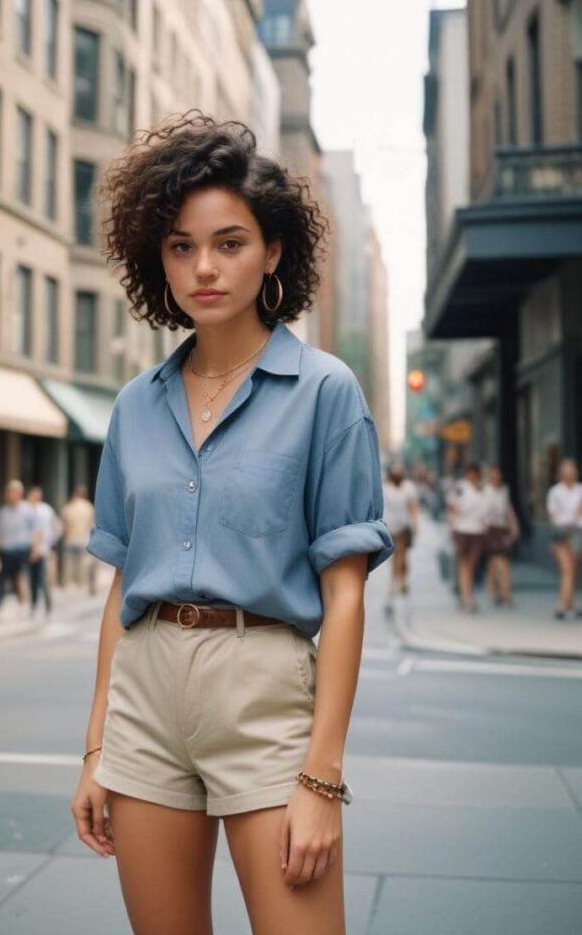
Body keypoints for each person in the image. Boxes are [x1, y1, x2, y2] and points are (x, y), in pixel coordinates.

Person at [70, 112, 393, 932]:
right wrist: (97, 745)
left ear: (272, 251)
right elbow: (122, 587)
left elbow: (344, 594)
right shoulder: (135, 407)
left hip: (266, 696)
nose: (203, 267)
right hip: (144, 699)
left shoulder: (324, 393)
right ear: (158, 258)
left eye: (229, 242)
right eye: (180, 246)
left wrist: (321, 777)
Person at [0, 480, 40, 618]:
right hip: (6, 550)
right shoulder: (2, 512)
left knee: (21, 578)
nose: (8, 495)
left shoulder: (28, 511)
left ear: (19, 494)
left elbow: (36, 531)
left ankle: (24, 606)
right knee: (2, 580)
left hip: (22, 549)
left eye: (11, 492)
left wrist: (35, 548)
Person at [447, 462, 487, 612]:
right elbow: (452, 507)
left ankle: (467, 595)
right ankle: (467, 598)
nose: (472, 475)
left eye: (474, 472)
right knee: (463, 565)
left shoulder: (483, 488)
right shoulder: (460, 488)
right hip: (462, 530)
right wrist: (452, 526)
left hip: (477, 531)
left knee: (471, 566)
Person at [546, 459, 582, 620]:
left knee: (572, 569)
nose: (569, 473)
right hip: (561, 531)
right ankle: (562, 604)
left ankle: (570, 602)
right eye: (566, 470)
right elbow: (553, 515)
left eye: (572, 469)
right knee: (566, 568)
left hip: (577, 532)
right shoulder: (555, 491)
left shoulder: (580, 490)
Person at [382, 463, 419, 616]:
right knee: (396, 558)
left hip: (404, 528)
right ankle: (397, 584)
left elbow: (412, 506)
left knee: (402, 557)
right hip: (390, 529)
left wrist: (416, 523)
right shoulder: (386, 488)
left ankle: (399, 583)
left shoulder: (408, 487)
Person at [482, 466, 520, 607]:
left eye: (498, 474)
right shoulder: (485, 491)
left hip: (501, 529)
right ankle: (495, 592)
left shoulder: (503, 490)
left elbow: (507, 509)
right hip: (489, 529)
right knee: (492, 563)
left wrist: (513, 526)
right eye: (493, 474)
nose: (496, 477)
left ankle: (506, 595)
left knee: (503, 562)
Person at [26, 485, 62, 616]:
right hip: (27, 550)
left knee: (43, 579)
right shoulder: (26, 509)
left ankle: (48, 605)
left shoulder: (46, 510)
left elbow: (57, 526)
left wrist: (51, 543)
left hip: (43, 550)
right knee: (31, 580)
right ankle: (33, 606)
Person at [61, 485, 96, 594]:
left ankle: (70, 585)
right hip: (84, 539)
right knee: (84, 564)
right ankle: (83, 585)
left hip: (71, 539)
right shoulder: (89, 507)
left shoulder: (68, 507)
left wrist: (65, 537)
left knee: (70, 565)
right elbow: (92, 525)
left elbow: (65, 525)